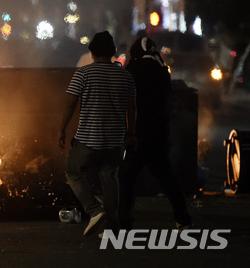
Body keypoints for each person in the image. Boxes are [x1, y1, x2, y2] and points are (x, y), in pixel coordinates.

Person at [58, 31, 137, 236]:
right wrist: (131, 134)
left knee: (72, 170)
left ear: (92, 52)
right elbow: (131, 108)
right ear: (112, 53)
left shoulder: (83, 73)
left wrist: (62, 129)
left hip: (88, 140)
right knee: (110, 178)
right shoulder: (125, 76)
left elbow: (69, 105)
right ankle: (110, 226)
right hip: (115, 141)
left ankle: (95, 210)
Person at [118, 36, 192, 230]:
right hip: (158, 134)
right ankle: (183, 218)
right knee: (166, 176)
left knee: (126, 178)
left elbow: (129, 103)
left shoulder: (133, 70)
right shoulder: (161, 71)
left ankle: (124, 222)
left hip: (139, 134)